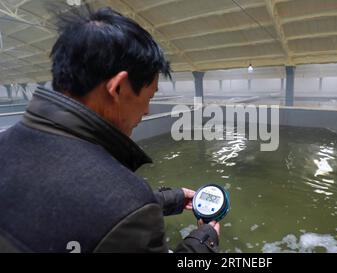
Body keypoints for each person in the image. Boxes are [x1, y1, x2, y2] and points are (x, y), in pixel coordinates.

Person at [0, 6, 219, 253]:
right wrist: (201, 245)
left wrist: (169, 200)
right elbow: (109, 210)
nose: (147, 110)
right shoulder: (127, 205)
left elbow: (74, 207)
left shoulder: (5, 143)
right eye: (149, 96)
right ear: (118, 88)